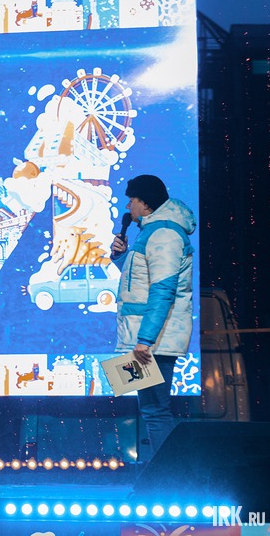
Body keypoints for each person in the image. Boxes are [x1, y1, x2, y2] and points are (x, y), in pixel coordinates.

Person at [110, 175, 196, 457]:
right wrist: (121, 257)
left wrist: (145, 341)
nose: (128, 206)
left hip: (153, 342)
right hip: (144, 339)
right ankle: (165, 471)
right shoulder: (150, 232)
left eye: (132, 200)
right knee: (150, 409)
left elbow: (163, 290)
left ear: (145, 203)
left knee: (156, 410)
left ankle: (171, 474)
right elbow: (140, 281)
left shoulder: (165, 234)